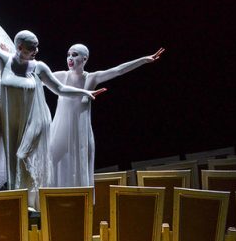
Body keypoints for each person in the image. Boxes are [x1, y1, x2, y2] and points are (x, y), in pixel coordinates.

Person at [0, 15, 103, 208]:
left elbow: (60, 89)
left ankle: (34, 201)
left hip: (36, 121)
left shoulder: (39, 67)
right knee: (14, 160)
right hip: (13, 121)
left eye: (37, 46)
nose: (36, 51)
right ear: (19, 48)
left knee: (23, 157)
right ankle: (22, 201)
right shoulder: (6, 61)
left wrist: (84, 91)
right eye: (32, 47)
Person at [49, 44, 165, 188]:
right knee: (50, 164)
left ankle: (79, 206)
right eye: (68, 55)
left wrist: (143, 60)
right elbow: (36, 76)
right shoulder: (61, 76)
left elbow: (118, 70)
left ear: (84, 59)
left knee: (80, 172)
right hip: (61, 131)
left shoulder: (92, 78)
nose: (70, 58)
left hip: (81, 134)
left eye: (75, 55)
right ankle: (49, 203)